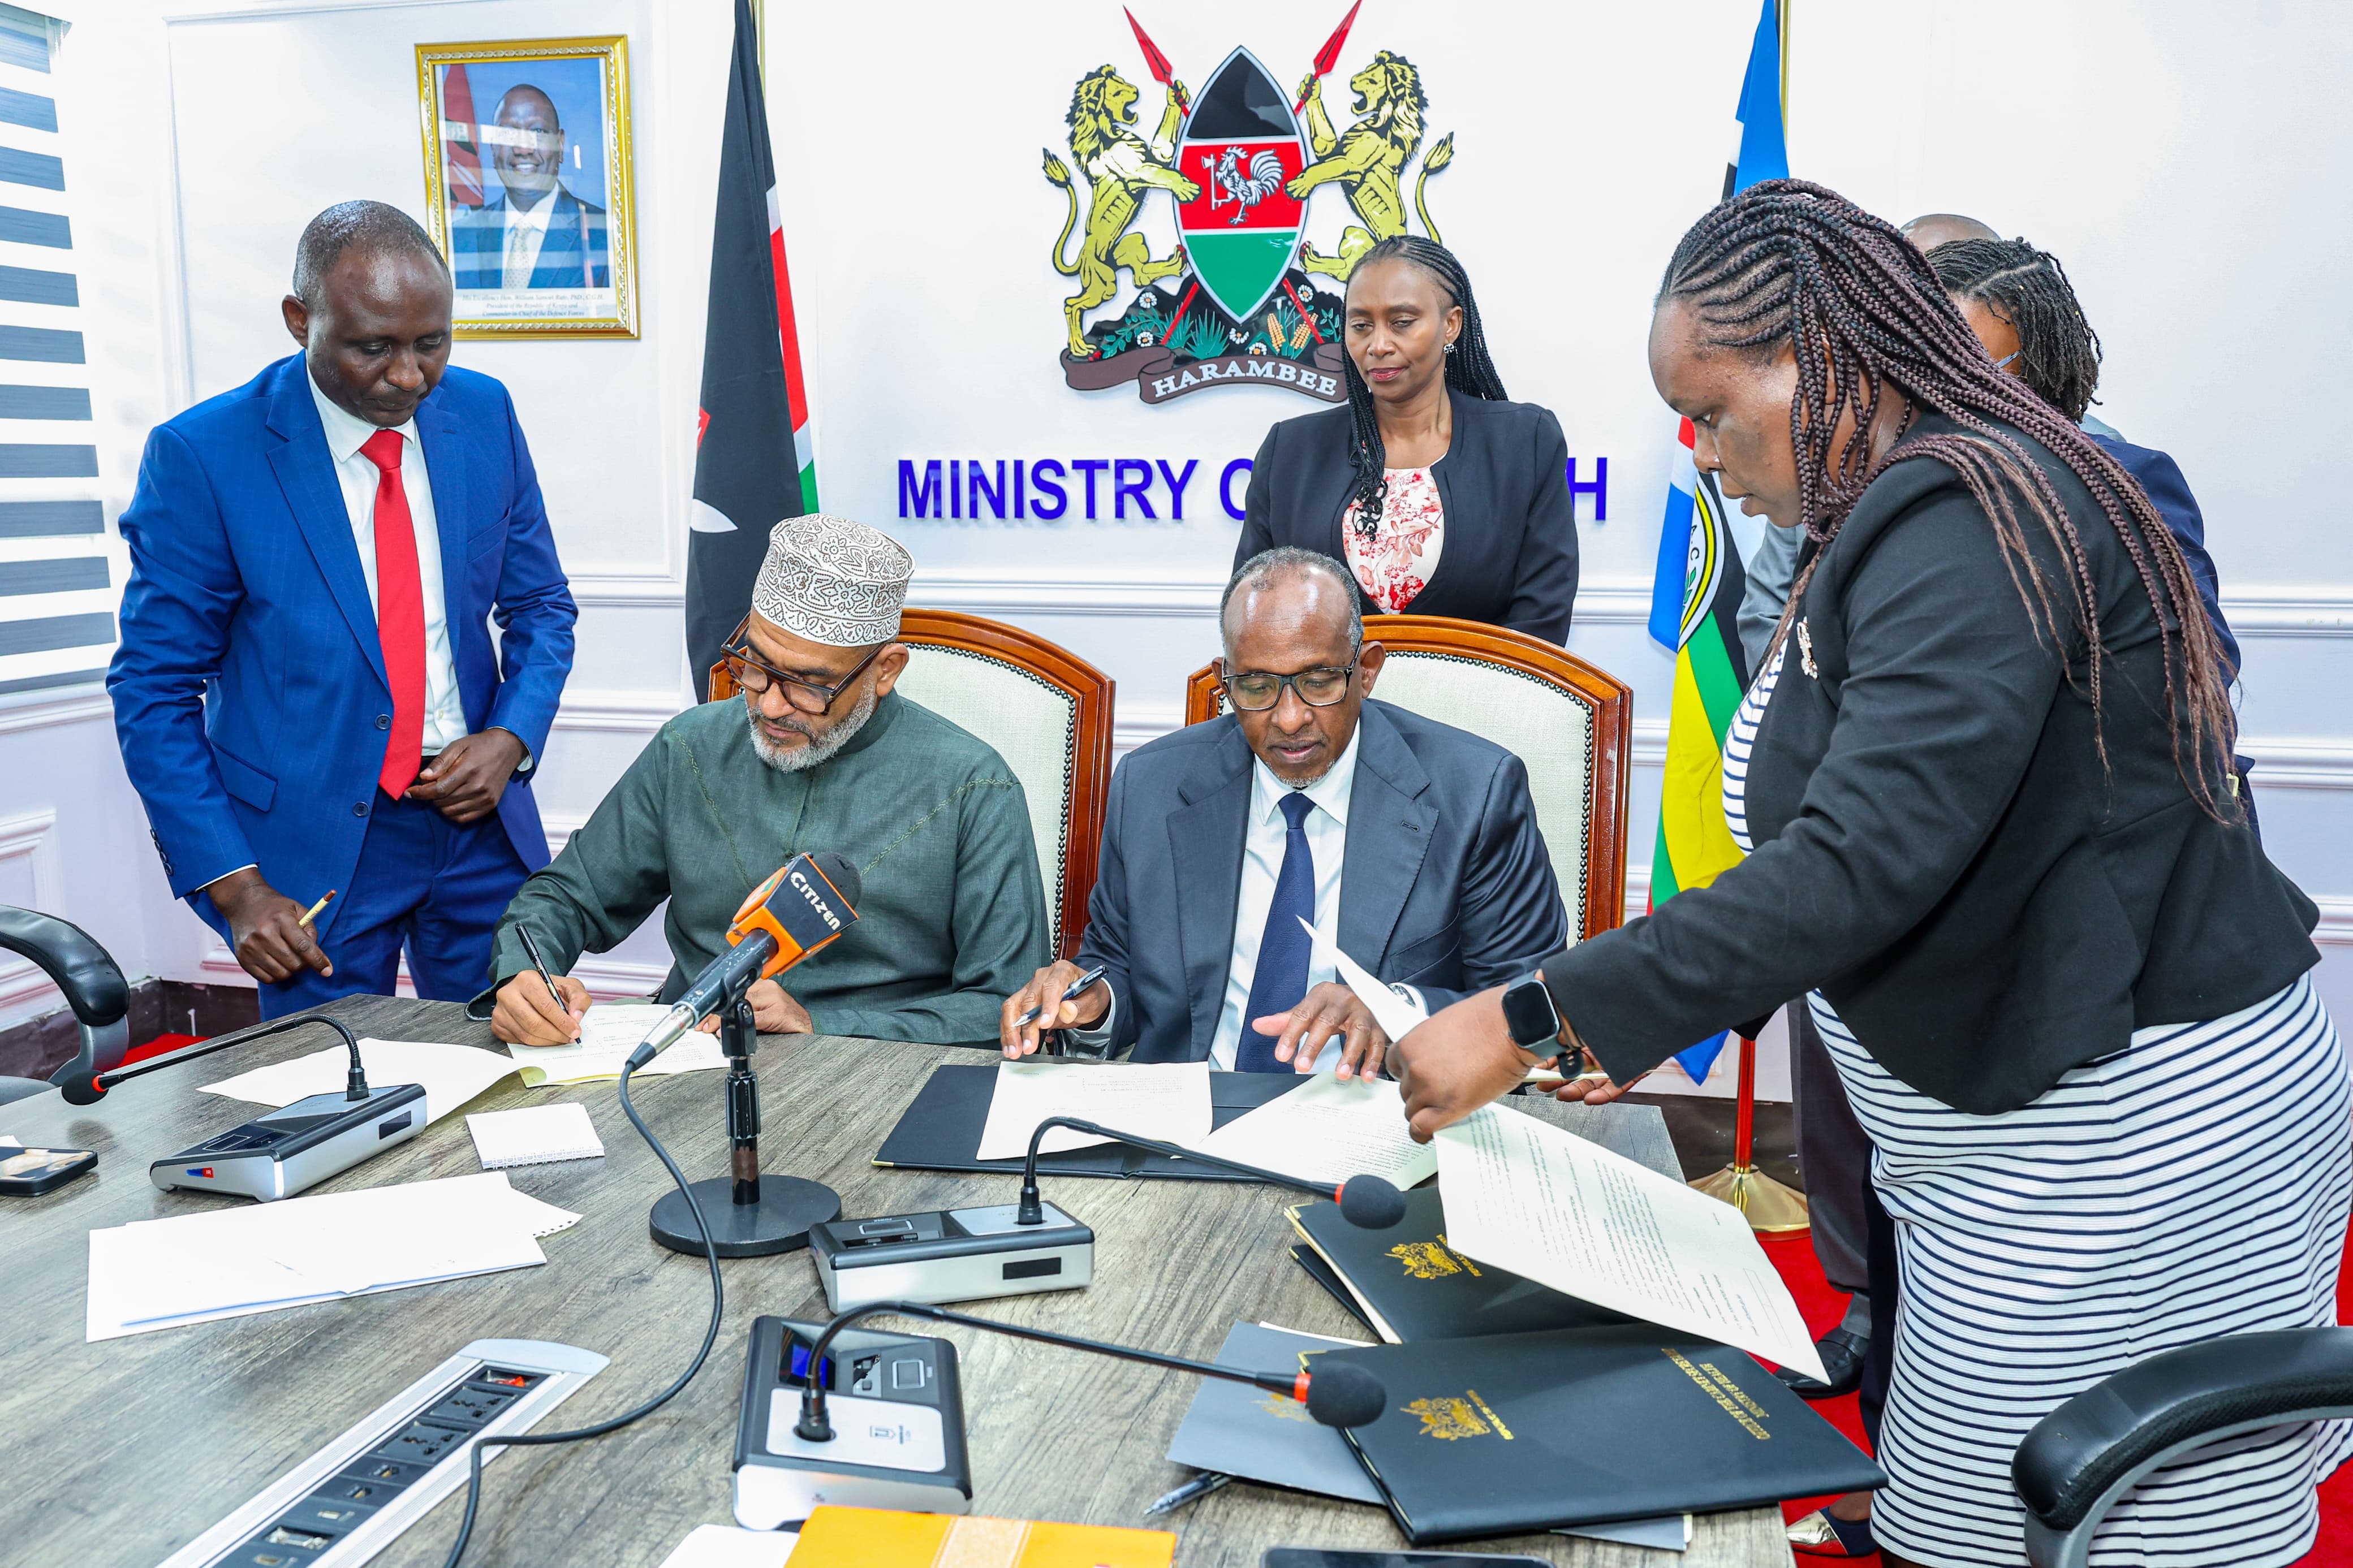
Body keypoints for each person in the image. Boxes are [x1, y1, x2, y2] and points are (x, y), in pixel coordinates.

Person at [1391, 180, 2346, 1568]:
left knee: (2078, 1530)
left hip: (2121, 1152)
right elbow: (1865, 831)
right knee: (1962, 1520)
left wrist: (1535, 1013)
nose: (1700, 452)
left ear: (1821, 355)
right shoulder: (1900, 502)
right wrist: (1636, 1017)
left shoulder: (1963, 507)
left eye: (1711, 411)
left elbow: (1864, 855)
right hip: (2001, 1140)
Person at [109, 201, 575, 1018]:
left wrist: (511, 737)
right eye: (373, 347)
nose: (410, 376)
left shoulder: (484, 412)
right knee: (331, 1083)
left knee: (518, 1060)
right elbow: (154, 689)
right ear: (301, 321)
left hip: (479, 823)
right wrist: (236, 886)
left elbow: (541, 606)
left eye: (432, 343)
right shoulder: (205, 455)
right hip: (310, 851)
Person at [482, 515, 1048, 1048]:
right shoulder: (691, 746)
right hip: (688, 1061)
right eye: (756, 666)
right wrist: (524, 973)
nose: (771, 706)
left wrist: (819, 1025)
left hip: (875, 1080)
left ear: (885, 670)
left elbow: (1006, 1006)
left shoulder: (975, 788)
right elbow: (565, 897)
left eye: (809, 685)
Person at [1002, 547, 1567, 1073]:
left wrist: (1396, 1013)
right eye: (1256, 687)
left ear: (1366, 670)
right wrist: (1092, 1000)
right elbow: (1118, 964)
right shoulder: (1149, 787)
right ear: (1225, 682)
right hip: (1186, 1115)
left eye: (1318, 681)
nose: (1290, 717)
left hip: (1378, 1113)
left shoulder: (1475, 794)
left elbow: (1531, 1007)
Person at [1927, 235, 2253, 811]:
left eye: (1974, 371)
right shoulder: (1900, 493)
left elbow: (2197, 667)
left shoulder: (2125, 481)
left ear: (2043, 369)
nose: (1947, 393)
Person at [1234, 236, 1579, 643]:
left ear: (1451, 324)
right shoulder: (1291, 451)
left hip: (1483, 686)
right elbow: (1254, 610)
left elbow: (1540, 621)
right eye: (1361, 326)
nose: (1378, 345)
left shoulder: (1524, 443)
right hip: (1324, 688)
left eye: (1401, 323)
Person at [450, 85, 610, 291]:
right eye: (508, 133)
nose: (523, 149)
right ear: (493, 148)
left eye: (538, 132)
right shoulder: (459, 238)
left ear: (560, 144)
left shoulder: (604, 234)